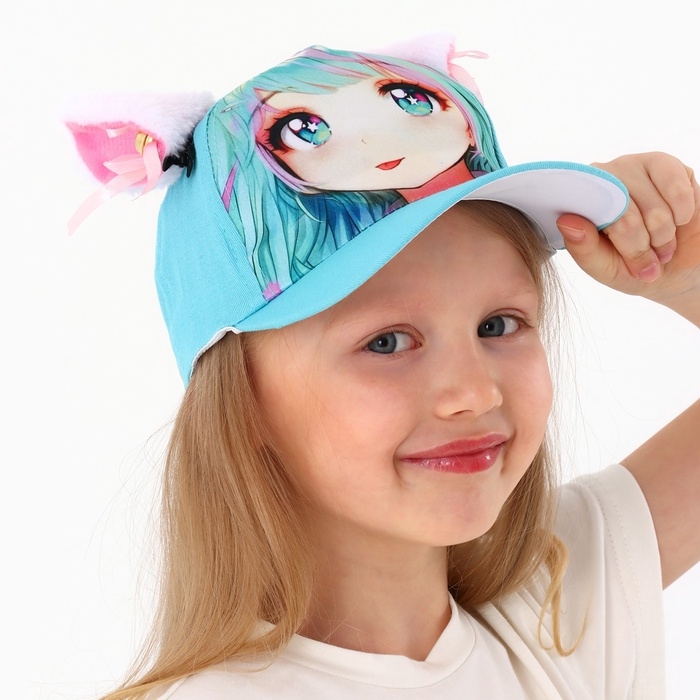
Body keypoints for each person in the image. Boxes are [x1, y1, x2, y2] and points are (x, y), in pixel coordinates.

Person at [65, 35, 699, 700]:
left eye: (497, 325)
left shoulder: (556, 607)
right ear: (244, 402)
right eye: (388, 342)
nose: (473, 393)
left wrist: (686, 274)